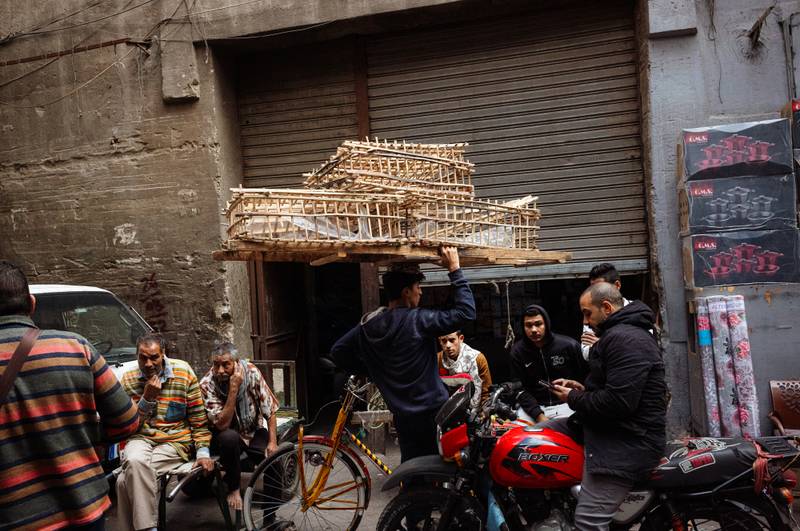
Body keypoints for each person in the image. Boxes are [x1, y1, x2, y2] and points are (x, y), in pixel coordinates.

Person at [0, 261, 140, 531]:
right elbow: (127, 422)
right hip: (84, 505)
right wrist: (80, 435)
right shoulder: (76, 348)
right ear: (31, 303)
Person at [331, 247, 475, 462]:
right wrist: (454, 269)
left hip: (403, 415)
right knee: (441, 468)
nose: (421, 292)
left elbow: (338, 352)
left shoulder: (369, 325)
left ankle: (411, 494)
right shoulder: (419, 320)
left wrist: (373, 370)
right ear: (406, 292)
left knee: (412, 467)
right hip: (433, 413)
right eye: (418, 287)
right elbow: (466, 312)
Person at [549, 282, 667, 531]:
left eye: (587, 313)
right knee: (542, 435)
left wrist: (572, 397)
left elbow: (618, 403)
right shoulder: (622, 333)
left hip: (627, 439)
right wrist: (582, 390)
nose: (585, 321)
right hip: (612, 427)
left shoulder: (626, 339)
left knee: (588, 523)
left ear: (606, 307)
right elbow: (616, 388)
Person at [116, 333, 213, 531]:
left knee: (124, 479)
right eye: (143, 358)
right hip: (140, 437)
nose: (149, 363)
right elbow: (128, 426)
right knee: (134, 463)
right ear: (137, 357)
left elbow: (198, 418)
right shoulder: (128, 379)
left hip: (175, 442)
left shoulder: (183, 372)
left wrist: (203, 452)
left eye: (154, 357)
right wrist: (146, 400)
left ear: (164, 354)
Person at [199, 342, 279, 510]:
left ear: (236, 363)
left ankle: (271, 517)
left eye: (225, 364)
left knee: (274, 461)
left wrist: (273, 443)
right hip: (223, 436)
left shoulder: (251, 372)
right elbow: (222, 424)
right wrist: (233, 388)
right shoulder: (207, 384)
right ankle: (234, 489)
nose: (220, 370)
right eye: (216, 364)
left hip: (252, 430)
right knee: (230, 437)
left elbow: (270, 410)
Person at [509, 304, 587, 422]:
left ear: (546, 323)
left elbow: (585, 377)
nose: (534, 330)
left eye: (538, 324)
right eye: (528, 325)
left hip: (566, 404)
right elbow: (518, 389)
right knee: (519, 435)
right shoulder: (517, 352)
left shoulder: (568, 345)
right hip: (533, 409)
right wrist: (539, 415)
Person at [580, 263, 629, 360]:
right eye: (592, 289)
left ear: (617, 285)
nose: (594, 294)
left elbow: (638, 348)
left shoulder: (636, 312)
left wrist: (600, 343)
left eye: (599, 288)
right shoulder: (591, 316)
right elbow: (586, 354)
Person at [437, 330, 492, 408]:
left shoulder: (478, 358)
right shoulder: (437, 360)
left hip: (475, 411)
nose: (448, 345)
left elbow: (486, 392)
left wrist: (483, 413)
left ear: (461, 339)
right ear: (440, 341)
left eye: (452, 340)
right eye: (444, 341)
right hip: (447, 411)